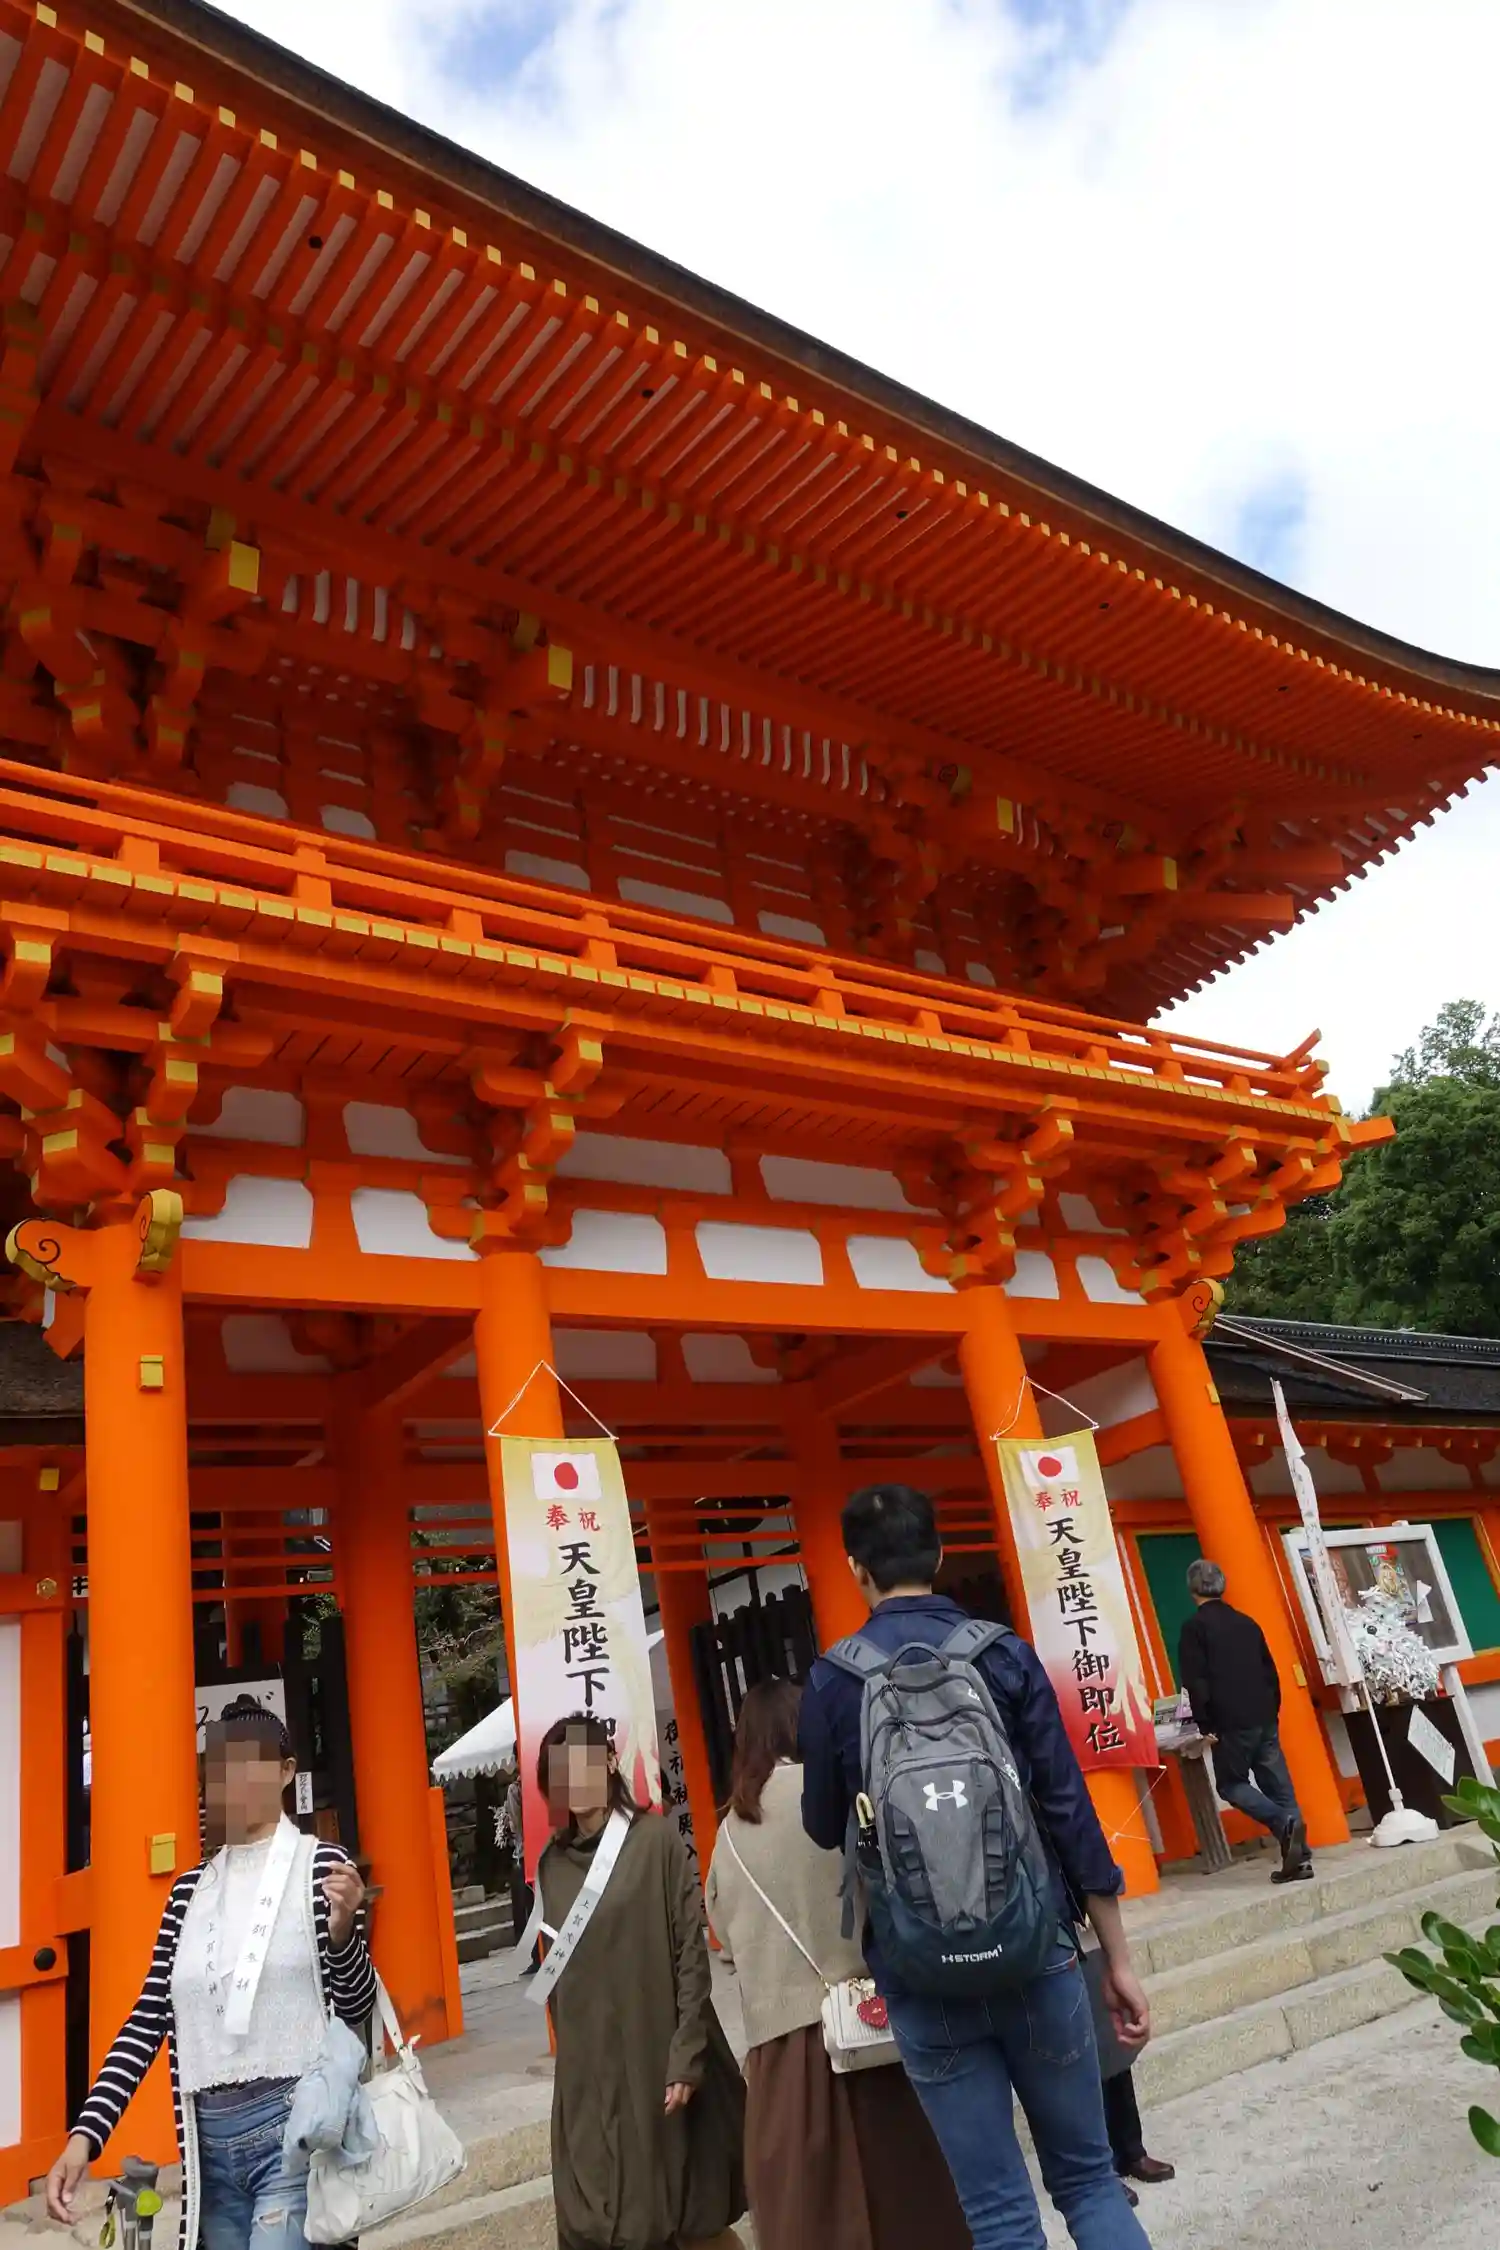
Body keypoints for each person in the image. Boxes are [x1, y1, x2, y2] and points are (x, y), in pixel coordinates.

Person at [799, 1483, 1153, 2250]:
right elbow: (1068, 1811)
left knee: (997, 2216)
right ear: (939, 1552)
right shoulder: (1004, 1655)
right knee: (1089, 2183)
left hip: (920, 1972)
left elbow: (823, 1826)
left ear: (856, 1568)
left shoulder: (833, 1682)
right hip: (1037, 1953)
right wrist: (1118, 1959)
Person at [45, 1697, 376, 2250]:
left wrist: (343, 1937)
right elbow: (148, 2019)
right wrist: (86, 2134)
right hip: (209, 2148)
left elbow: (358, 2004)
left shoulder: (320, 1866)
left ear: (285, 1771)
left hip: (296, 2128)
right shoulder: (188, 1893)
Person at [705, 1678, 971, 2250]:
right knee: (909, 2195)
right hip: (870, 2024)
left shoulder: (730, 1832)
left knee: (811, 2216)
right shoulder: (838, 1797)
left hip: (783, 2049)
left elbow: (722, 1934)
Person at [535, 1712, 747, 2250]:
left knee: (686, 2218)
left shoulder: (655, 1841)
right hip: (590, 2076)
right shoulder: (551, 1865)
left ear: (610, 1761)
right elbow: (557, 1979)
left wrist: (686, 2055)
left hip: (658, 2060)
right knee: (598, 2221)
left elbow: (690, 1957)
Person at [1177, 1557, 1311, 1883]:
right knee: (1279, 1786)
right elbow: (1270, 1672)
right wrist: (1272, 1709)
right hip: (1264, 1716)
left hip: (1230, 1723)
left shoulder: (1194, 1629)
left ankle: (1283, 1823)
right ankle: (1300, 1859)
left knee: (1231, 1784)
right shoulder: (1247, 1623)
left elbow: (1196, 1681)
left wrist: (1205, 1724)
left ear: (1192, 1590)